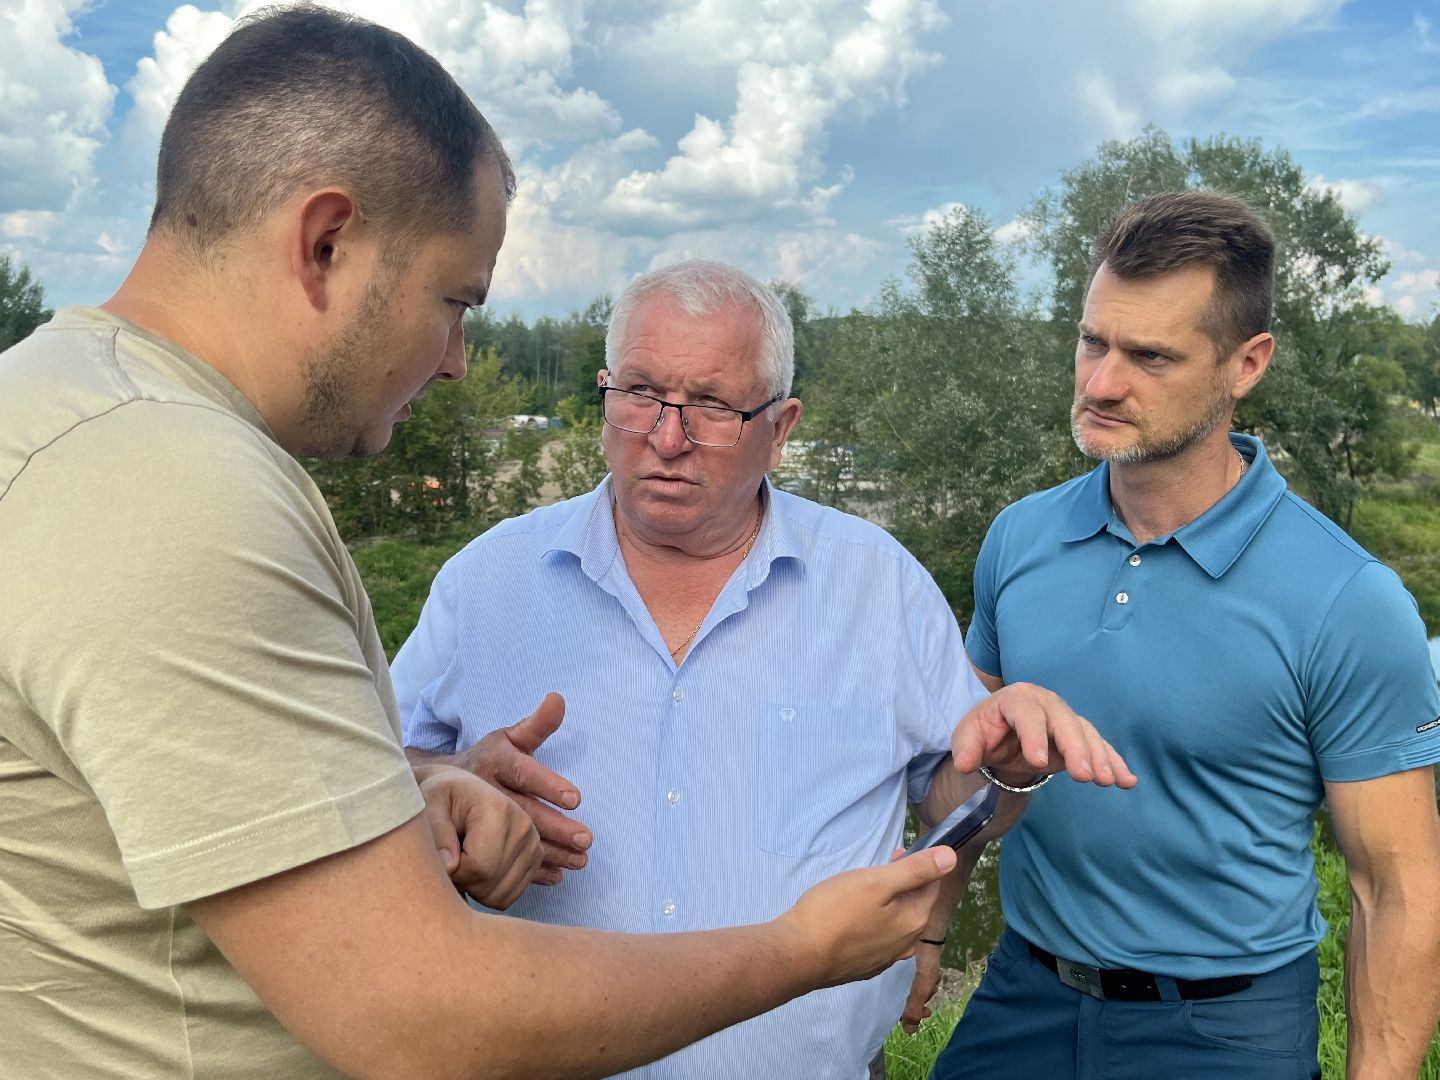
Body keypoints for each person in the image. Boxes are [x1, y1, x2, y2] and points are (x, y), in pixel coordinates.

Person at [0, 9, 1001, 1079]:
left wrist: (414, 789)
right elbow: (417, 1017)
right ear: (325, 243)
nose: (458, 361)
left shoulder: (62, 413)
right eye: (455, 300)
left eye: (711, 405)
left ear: (779, 425)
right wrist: (800, 952)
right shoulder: (184, 494)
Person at [392, 259, 1138, 1079]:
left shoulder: (877, 587)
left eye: (713, 406)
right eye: (639, 392)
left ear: (780, 429)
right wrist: (448, 783)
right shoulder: (486, 582)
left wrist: (1005, 768)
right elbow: (372, 785)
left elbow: (950, 802)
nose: (666, 438)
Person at [929, 191, 1440, 1080]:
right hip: (1022, 995)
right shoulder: (1019, 537)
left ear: (1247, 364)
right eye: (1092, 341)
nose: (1100, 383)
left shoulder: (1349, 599)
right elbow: (964, 793)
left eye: (1150, 356)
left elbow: (1396, 890)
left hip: (1225, 1030)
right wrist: (933, 924)